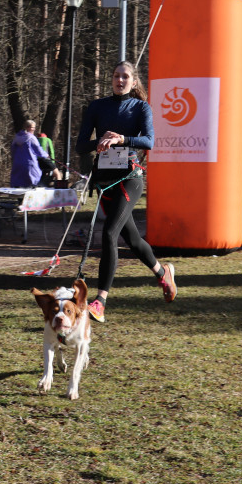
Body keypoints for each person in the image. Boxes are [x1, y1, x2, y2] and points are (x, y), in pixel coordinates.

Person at [74, 61, 177, 323]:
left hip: (130, 179)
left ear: (133, 81)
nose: (120, 80)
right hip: (104, 181)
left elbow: (149, 141)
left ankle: (100, 301)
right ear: (111, 79)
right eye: (116, 75)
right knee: (131, 238)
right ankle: (162, 272)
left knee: (110, 232)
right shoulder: (97, 107)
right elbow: (79, 146)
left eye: (126, 77)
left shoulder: (141, 107)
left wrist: (121, 138)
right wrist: (99, 142)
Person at [10, 119, 50, 187]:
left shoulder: (16, 137)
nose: (34, 129)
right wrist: (46, 155)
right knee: (33, 182)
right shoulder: (31, 138)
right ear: (27, 127)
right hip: (29, 164)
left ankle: (20, 197)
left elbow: (12, 150)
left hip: (17, 164)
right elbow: (38, 150)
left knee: (18, 183)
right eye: (32, 127)